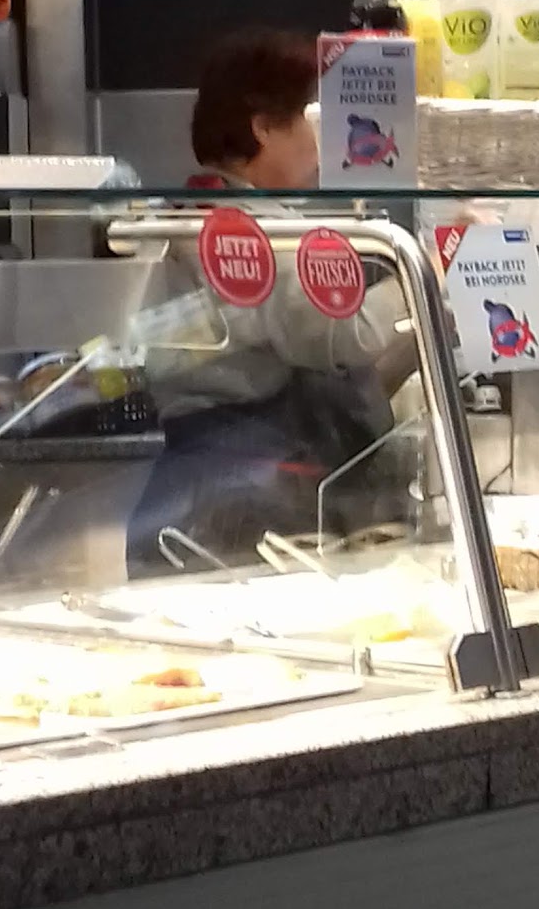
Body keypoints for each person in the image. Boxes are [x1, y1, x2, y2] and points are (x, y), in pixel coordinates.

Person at [126, 31, 410, 574]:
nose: (317, 136)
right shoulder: (245, 231)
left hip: (207, 494)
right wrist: (429, 275)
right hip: (241, 505)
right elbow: (343, 335)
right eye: (305, 116)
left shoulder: (200, 213)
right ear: (262, 128)